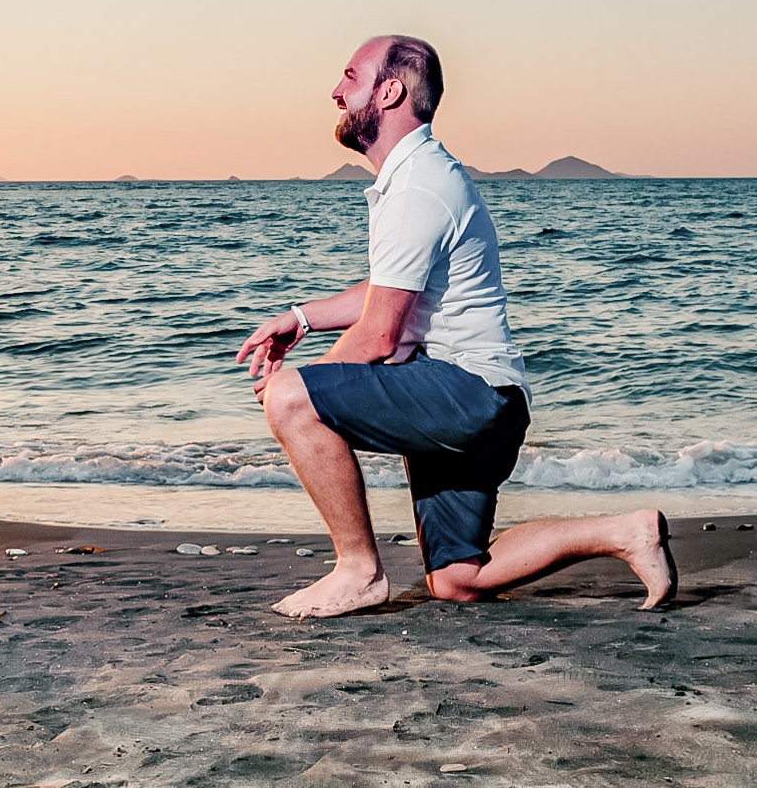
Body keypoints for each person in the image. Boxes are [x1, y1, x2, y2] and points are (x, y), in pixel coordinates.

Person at [237, 35, 677, 619]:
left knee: (293, 396)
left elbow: (379, 336)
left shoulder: (418, 185)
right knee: (458, 579)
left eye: (350, 76)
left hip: (465, 394)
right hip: (484, 399)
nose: (337, 91)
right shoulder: (417, 176)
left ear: (389, 91)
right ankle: (627, 532)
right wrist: (301, 318)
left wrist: (297, 394)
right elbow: (390, 291)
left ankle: (358, 571)